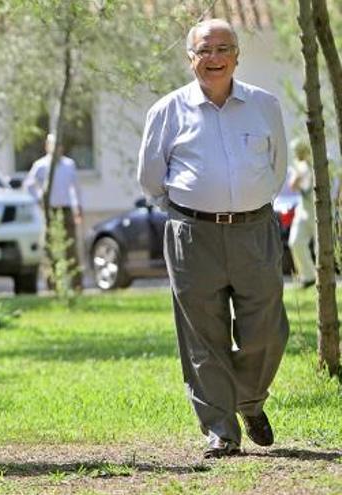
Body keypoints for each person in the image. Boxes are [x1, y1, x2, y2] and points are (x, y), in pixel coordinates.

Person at [138, 18, 289, 458]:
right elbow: (151, 179)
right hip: (192, 234)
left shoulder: (265, 105)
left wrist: (247, 200)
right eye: (204, 50)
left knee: (268, 331)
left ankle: (249, 398)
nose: (214, 58)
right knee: (203, 336)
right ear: (190, 59)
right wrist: (190, 212)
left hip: (254, 231)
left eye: (223, 49)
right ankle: (221, 430)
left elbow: (276, 170)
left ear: (237, 56)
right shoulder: (166, 111)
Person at [23, 133, 83, 290]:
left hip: (66, 209)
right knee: (50, 248)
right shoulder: (41, 166)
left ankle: (76, 284)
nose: (57, 149)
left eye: (59, 145)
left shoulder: (69, 165)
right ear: (47, 146)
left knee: (71, 247)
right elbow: (29, 184)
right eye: (53, 145)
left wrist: (78, 207)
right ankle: (52, 285)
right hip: (50, 210)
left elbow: (75, 188)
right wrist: (39, 199)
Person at [287, 138, 317, 288]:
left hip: (318, 211)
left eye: (297, 151)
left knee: (321, 248)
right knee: (295, 242)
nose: (295, 154)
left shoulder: (314, 165)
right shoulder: (299, 167)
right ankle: (309, 276)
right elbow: (292, 185)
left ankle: (321, 279)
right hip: (303, 210)